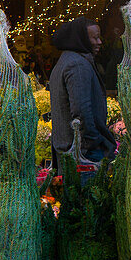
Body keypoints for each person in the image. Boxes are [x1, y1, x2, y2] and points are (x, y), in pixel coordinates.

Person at [48, 17, 117, 183]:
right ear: (81, 39)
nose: (99, 42)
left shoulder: (65, 61)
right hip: (82, 154)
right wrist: (94, 143)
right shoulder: (77, 65)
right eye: (94, 37)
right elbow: (81, 111)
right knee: (87, 204)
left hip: (72, 151)